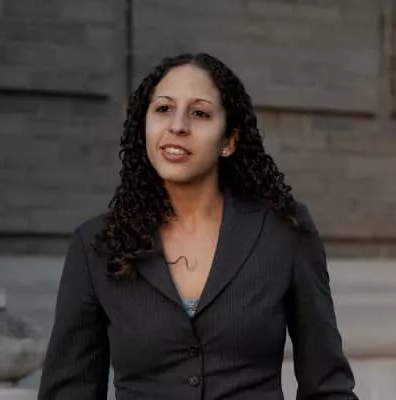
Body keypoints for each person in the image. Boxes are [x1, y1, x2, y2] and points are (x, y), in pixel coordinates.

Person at [38, 53, 358, 400]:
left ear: (229, 141)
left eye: (200, 113)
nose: (177, 126)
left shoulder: (284, 232)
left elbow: (328, 388)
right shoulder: (97, 246)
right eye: (163, 109)